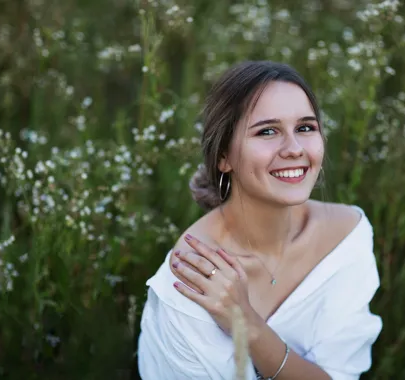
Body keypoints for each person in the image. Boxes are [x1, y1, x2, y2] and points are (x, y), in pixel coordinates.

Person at [137, 60, 382, 380]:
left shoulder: (346, 239)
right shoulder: (191, 280)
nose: (294, 149)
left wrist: (248, 325)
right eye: (268, 131)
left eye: (305, 128)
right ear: (224, 156)